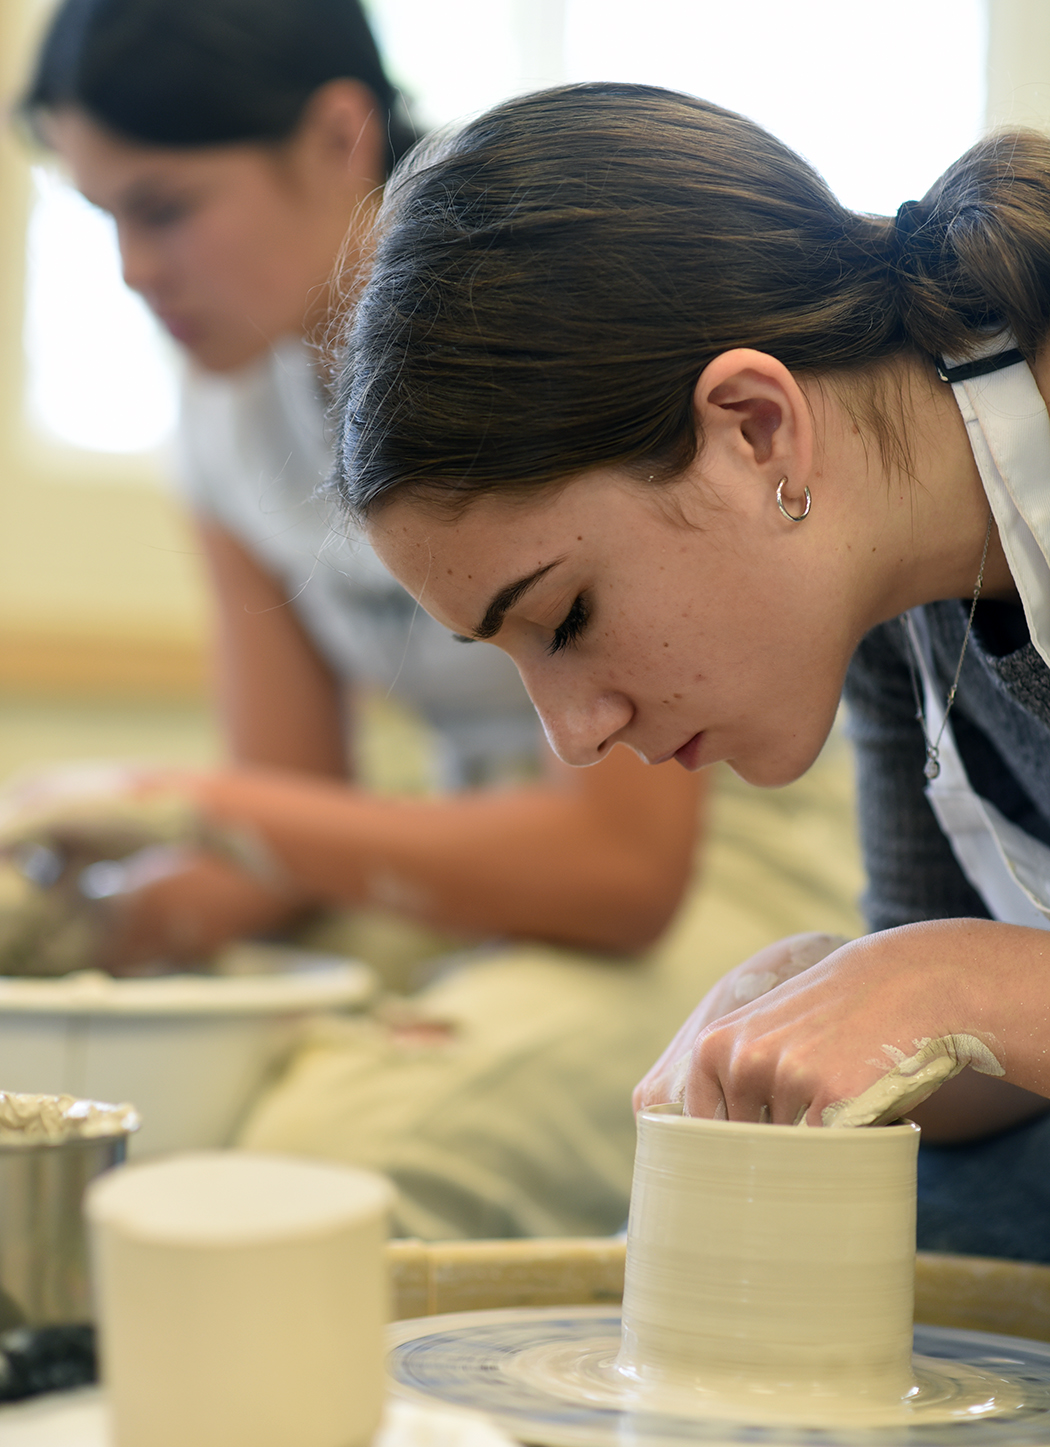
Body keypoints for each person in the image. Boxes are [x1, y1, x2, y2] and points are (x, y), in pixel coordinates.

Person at [14, 16, 863, 1236]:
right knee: (145, 1088)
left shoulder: (524, 314)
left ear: (338, 135)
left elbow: (620, 875)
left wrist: (188, 802)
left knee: (320, 1161)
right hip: (482, 861)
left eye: (164, 209)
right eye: (102, 219)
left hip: (716, 853)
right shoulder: (226, 408)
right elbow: (286, 819)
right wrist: (98, 904)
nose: (134, 272)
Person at [333, 81, 1050, 1260]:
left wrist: (963, 981)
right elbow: (1004, 1075)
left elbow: (991, 992)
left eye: (565, 617)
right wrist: (845, 1002)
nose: (572, 736)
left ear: (755, 428)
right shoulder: (876, 603)